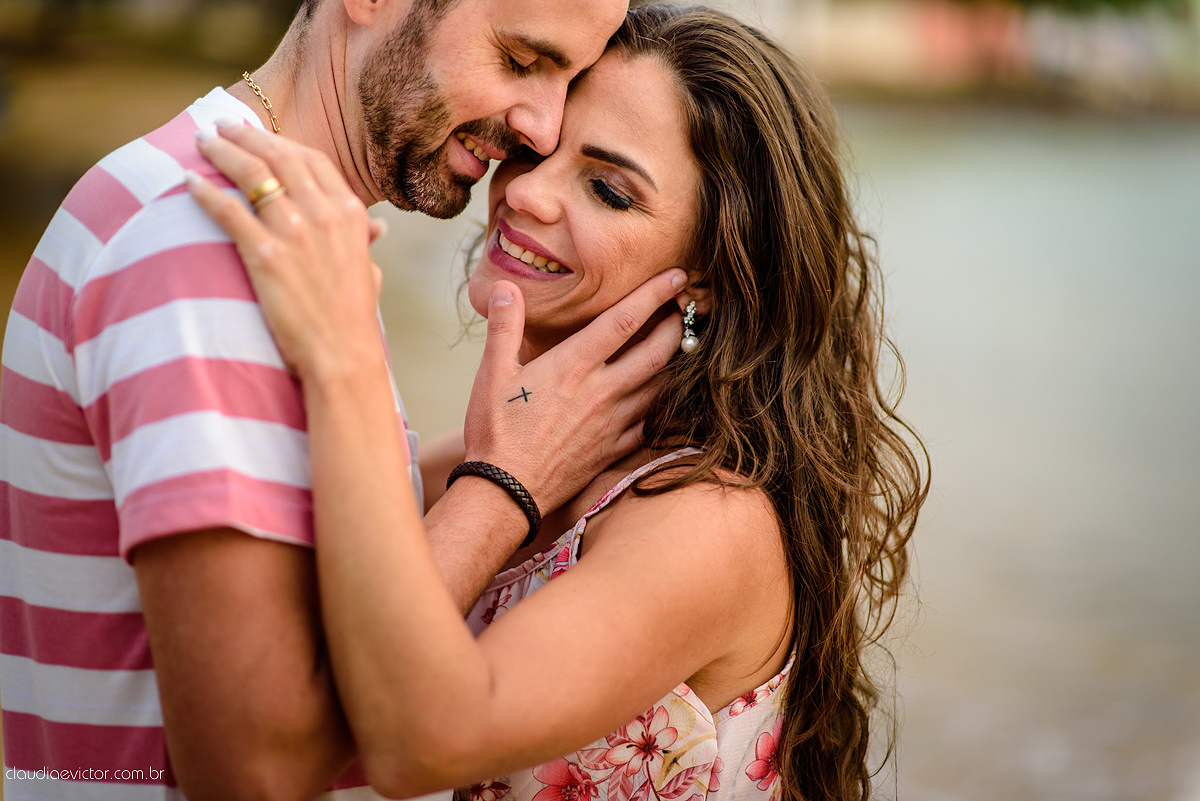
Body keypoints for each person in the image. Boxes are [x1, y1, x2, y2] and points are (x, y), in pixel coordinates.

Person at [186, 4, 931, 800]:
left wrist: (343, 355)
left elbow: (415, 742)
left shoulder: (709, 522)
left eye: (607, 189)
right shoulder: (481, 463)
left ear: (712, 273)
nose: (526, 193)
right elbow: (279, 718)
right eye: (533, 152)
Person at [0, 0, 690, 798]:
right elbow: (259, 769)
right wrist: (504, 487)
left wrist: (525, 446)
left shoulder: (268, 229)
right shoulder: (214, 245)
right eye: (520, 60)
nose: (542, 127)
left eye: (567, 78)